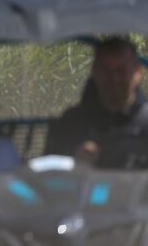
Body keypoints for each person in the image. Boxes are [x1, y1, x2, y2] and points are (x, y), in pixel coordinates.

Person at [45, 37, 148, 167]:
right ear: (94, 71)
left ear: (137, 72)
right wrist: (75, 161)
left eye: (121, 71)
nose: (114, 79)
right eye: (106, 71)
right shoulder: (71, 123)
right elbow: (48, 178)